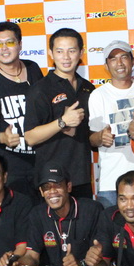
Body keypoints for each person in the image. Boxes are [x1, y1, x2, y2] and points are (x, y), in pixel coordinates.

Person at [23, 28, 95, 199]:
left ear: (81, 53)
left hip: (82, 177)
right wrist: (62, 122)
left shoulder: (88, 88)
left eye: (72, 51)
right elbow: (30, 137)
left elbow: (91, 134)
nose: (66, 57)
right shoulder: (40, 89)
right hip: (51, 180)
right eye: (60, 51)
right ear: (51, 54)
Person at [0, 21, 45, 196]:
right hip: (12, 165)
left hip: (41, 159)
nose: (4, 48)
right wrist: (2, 137)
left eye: (10, 42)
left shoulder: (33, 69)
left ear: (20, 44)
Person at [88, 40, 134, 207]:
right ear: (106, 65)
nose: (119, 63)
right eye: (113, 58)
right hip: (111, 182)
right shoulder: (98, 95)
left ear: (133, 61)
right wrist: (101, 137)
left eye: (124, 57)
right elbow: (92, 139)